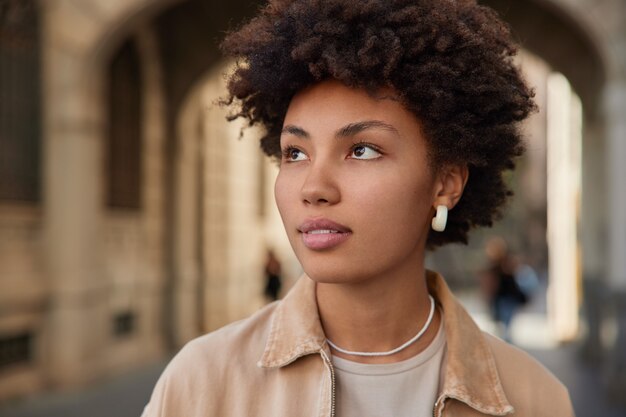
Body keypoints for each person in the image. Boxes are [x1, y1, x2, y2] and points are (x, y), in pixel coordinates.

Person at [141, 1, 574, 416]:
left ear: (445, 184)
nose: (314, 188)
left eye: (362, 150)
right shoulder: (201, 384)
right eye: (295, 153)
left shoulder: (534, 399)